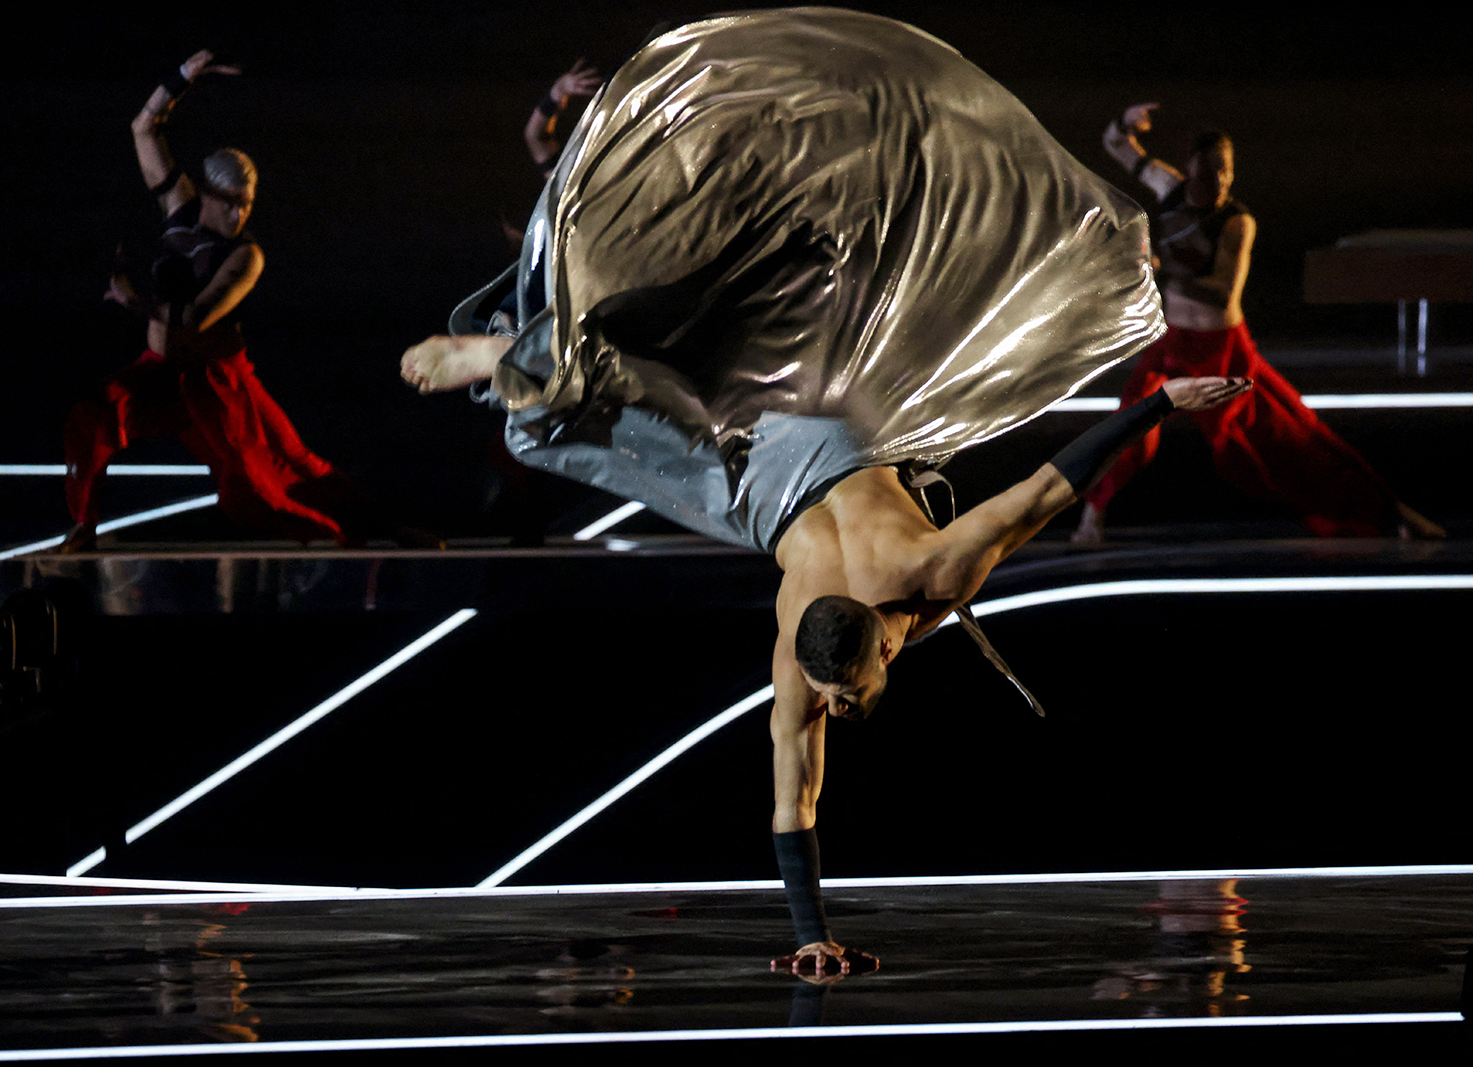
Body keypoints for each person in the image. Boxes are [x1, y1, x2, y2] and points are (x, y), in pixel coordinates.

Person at [402, 9, 1181, 973]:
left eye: (839, 698)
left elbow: (1039, 496)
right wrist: (1163, 399)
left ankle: (538, 357)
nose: (836, 710)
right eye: (837, 696)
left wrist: (1161, 403)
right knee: (662, 406)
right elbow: (1042, 488)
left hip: (779, 472)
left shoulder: (917, 574)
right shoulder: (893, 594)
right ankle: (523, 357)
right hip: (807, 444)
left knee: (660, 414)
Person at [63, 51, 411, 551]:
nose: (241, 213)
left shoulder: (246, 255)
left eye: (248, 203)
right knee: (91, 416)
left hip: (220, 380)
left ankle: (374, 530)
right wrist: (181, 79)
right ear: (207, 194)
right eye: (232, 203)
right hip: (161, 371)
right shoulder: (178, 208)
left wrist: (133, 300)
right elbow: (144, 127)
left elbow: (197, 317)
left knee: (272, 477)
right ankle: (83, 528)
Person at [1071, 104, 1442, 542]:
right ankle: (1090, 519)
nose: (1220, 182)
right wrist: (1127, 123)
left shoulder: (1237, 222)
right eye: (1209, 172)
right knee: (1131, 423)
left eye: (1226, 172)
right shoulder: (1169, 189)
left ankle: (1387, 513)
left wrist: (1159, 268)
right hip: (1172, 345)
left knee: (1292, 437)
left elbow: (1222, 290)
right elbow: (1117, 146)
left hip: (1223, 351)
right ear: (1190, 171)